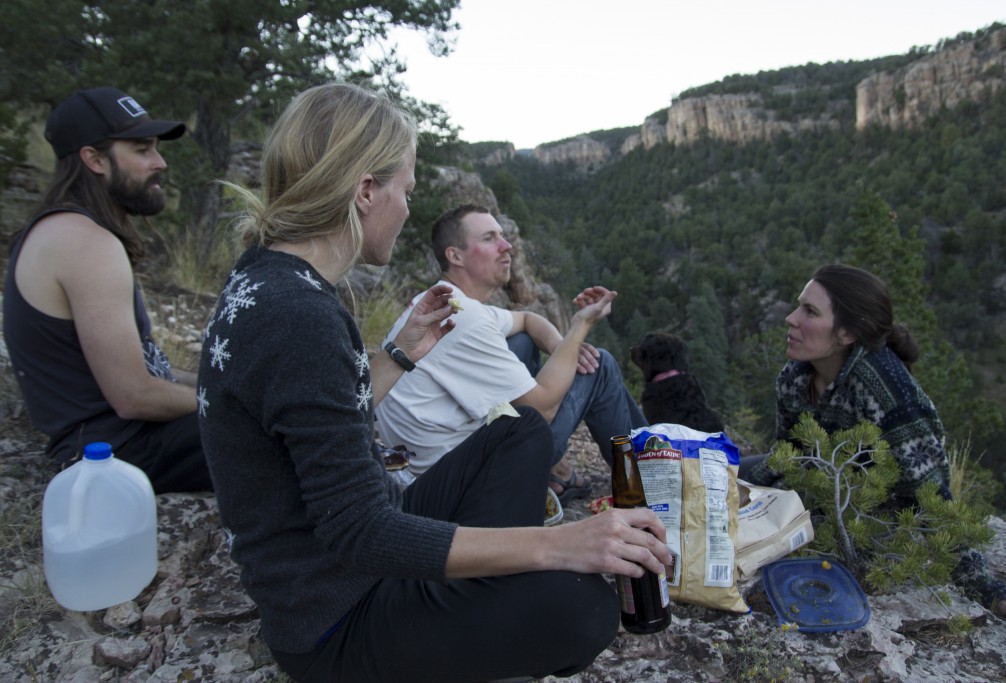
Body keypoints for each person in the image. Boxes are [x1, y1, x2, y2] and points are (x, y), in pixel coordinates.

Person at [196, 82, 671, 683]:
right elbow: (362, 533)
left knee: (518, 428)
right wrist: (562, 544)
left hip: (351, 554)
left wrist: (398, 354)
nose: (407, 208)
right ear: (366, 190)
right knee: (581, 609)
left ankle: (484, 586)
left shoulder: (266, 281)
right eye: (406, 191)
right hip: (333, 620)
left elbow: (311, 422)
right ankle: (493, 592)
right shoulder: (300, 315)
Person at [745, 263, 1006, 622]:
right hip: (816, 486)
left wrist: (985, 587)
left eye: (809, 311)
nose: (790, 318)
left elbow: (932, 500)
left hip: (867, 517)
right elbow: (791, 455)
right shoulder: (795, 378)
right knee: (725, 471)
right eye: (799, 305)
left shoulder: (891, 395)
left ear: (846, 334)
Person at [3, 87, 211, 493]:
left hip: (121, 444)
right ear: (94, 159)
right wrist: (238, 404)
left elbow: (148, 371)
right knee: (297, 427)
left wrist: (217, 382)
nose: (160, 162)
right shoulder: (84, 242)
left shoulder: (67, 230)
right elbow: (134, 395)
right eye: (142, 150)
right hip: (115, 455)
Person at [374, 204, 648, 503]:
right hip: (461, 481)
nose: (507, 246)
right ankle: (649, 476)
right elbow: (542, 407)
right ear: (455, 256)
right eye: (490, 239)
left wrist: (561, 347)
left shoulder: (445, 300)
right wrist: (579, 326)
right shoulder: (465, 318)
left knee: (522, 340)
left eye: (503, 236)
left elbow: (528, 319)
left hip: (434, 463)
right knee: (601, 367)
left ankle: (568, 471)